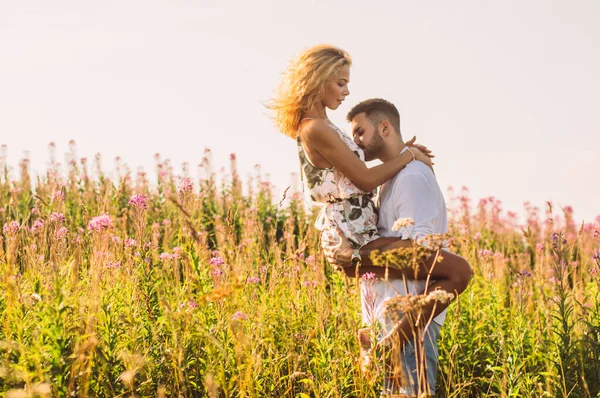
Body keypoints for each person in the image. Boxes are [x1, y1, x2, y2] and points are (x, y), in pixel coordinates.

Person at [323, 98, 472, 396]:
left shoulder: (412, 177)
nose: (356, 143)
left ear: (385, 127)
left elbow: (420, 252)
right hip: (388, 320)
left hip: (408, 323)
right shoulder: (390, 180)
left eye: (360, 132)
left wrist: (355, 258)